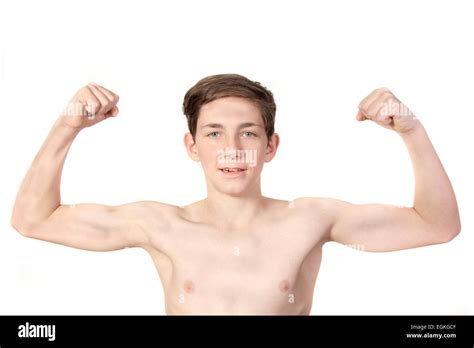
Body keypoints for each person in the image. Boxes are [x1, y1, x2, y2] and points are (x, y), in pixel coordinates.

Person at [11, 74, 461, 314]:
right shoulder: (158, 223)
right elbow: (34, 219)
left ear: (271, 146)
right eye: (214, 133)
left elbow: (437, 225)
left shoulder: (310, 218)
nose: (232, 149)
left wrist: (412, 130)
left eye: (248, 133)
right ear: (192, 146)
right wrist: (67, 125)